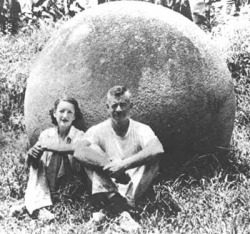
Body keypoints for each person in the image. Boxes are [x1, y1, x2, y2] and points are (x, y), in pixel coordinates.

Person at [74, 86, 164, 231]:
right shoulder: (98, 130)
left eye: (123, 104)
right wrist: (108, 164)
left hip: (132, 181)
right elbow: (78, 151)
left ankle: (110, 209)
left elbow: (157, 148)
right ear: (107, 108)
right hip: (108, 179)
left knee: (153, 159)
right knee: (91, 152)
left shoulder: (141, 129)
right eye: (114, 105)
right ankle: (122, 211)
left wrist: (123, 165)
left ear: (131, 106)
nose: (119, 110)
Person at [10, 96, 86, 220]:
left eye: (69, 112)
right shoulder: (46, 134)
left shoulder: (80, 135)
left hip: (69, 182)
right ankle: (38, 205)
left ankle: (32, 205)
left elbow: (78, 157)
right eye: (61, 111)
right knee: (38, 158)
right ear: (54, 113)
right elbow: (31, 165)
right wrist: (31, 155)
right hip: (49, 180)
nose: (65, 115)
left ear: (75, 116)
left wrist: (53, 147)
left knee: (56, 151)